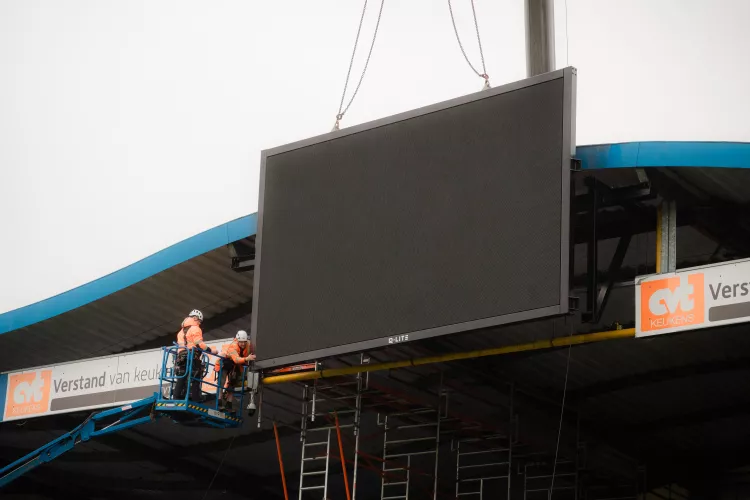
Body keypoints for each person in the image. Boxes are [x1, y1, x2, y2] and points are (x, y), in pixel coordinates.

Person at [173, 309, 216, 401]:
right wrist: (211, 350)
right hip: (192, 355)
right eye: (199, 321)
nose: (200, 323)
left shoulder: (181, 332)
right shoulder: (195, 328)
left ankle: (176, 396)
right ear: (195, 318)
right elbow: (199, 344)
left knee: (182, 375)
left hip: (181, 356)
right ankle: (196, 398)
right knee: (197, 375)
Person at [215, 330, 256, 411]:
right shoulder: (233, 346)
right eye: (241, 342)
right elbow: (236, 359)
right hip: (225, 364)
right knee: (221, 382)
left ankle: (228, 404)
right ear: (237, 340)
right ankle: (219, 402)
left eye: (244, 342)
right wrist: (247, 358)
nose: (243, 344)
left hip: (235, 366)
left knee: (233, 384)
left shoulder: (248, 345)